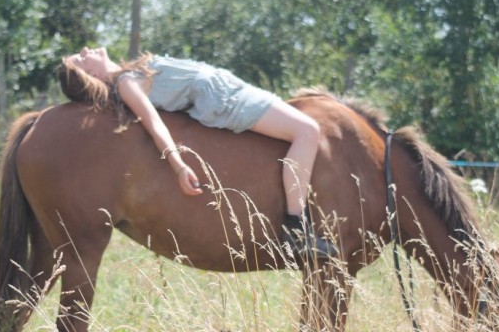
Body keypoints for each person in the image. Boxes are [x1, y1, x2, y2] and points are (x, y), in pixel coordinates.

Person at [57, 47, 336, 259]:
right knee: (307, 130)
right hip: (226, 102)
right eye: (79, 59)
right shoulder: (126, 83)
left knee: (305, 128)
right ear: (92, 76)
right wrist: (178, 166)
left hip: (228, 91)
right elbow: (154, 123)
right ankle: (297, 228)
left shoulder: (129, 73)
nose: (84, 51)